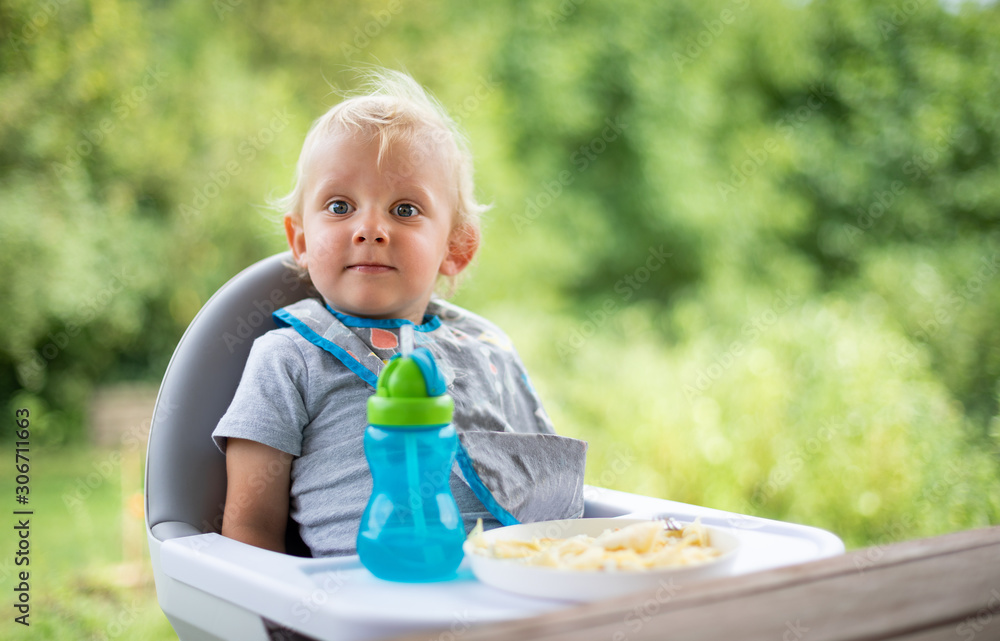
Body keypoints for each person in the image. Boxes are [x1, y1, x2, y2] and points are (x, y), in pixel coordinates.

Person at [212, 69, 587, 557]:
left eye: (405, 210)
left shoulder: (486, 353)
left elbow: (547, 508)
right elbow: (249, 533)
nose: (370, 228)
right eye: (340, 205)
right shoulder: (288, 359)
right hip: (357, 611)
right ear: (300, 241)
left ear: (456, 248)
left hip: (507, 600)